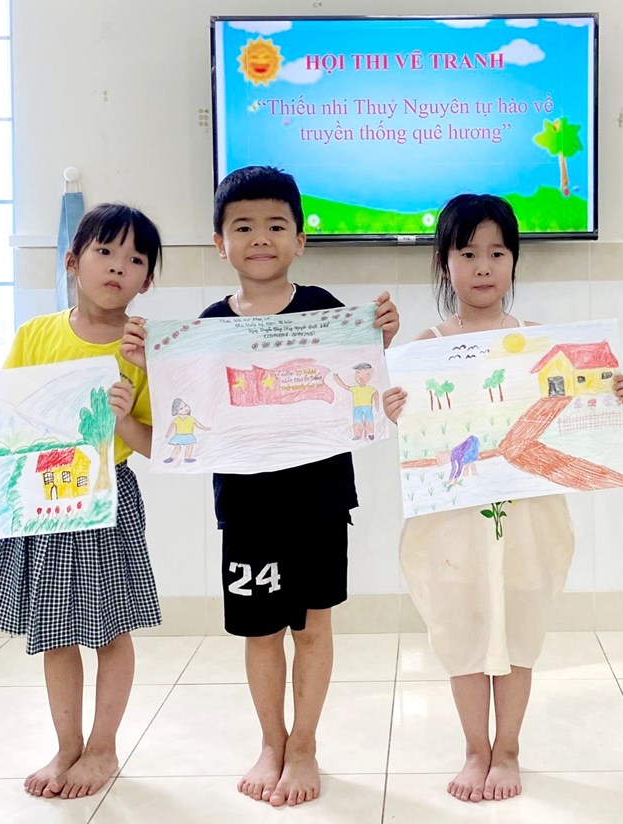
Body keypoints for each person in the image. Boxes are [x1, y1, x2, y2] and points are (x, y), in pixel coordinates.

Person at [121, 166, 399, 808]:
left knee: (313, 627)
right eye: (242, 227)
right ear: (220, 243)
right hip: (246, 505)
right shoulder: (207, 324)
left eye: (276, 225)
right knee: (260, 630)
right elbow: (189, 421)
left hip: (320, 497)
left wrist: (379, 340)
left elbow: (359, 390)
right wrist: (153, 363)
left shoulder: (324, 309)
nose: (260, 238)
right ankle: (271, 742)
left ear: (300, 238)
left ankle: (305, 746)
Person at [0, 203, 164, 800]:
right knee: (54, 631)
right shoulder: (35, 335)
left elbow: (158, 443)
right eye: (104, 251)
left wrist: (124, 417)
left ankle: (103, 747)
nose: (117, 267)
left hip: (107, 501)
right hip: (39, 500)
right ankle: (67, 745)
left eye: (134, 259)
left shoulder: (145, 348)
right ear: (73, 261)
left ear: (147, 280)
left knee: (112, 630)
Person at [383, 194, 623, 803]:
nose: (483, 266)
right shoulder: (424, 346)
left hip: (527, 522)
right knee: (463, 631)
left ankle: (510, 749)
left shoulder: (538, 344)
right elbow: (423, 436)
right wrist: (394, 410)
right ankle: (476, 749)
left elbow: (572, 415)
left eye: (497, 253)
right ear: (445, 263)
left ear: (515, 261)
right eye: (468, 253)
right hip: (453, 525)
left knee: (519, 630)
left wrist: (614, 398)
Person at [332, 362, 379, 440]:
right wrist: (337, 379)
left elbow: (376, 394)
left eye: (366, 374)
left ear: (370, 375)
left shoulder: (370, 389)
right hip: (357, 407)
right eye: (358, 373)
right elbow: (345, 386)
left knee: (369, 420)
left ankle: (370, 433)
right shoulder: (355, 388)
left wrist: (377, 405)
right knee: (357, 421)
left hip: (367, 407)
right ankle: (358, 434)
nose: (360, 377)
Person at [163, 397, 210, 463]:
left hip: (189, 435)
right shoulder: (176, 419)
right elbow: (171, 427)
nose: (185, 408)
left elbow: (198, 424)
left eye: (185, 405)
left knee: (190, 445)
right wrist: (168, 434)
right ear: (177, 411)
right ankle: (172, 457)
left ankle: (187, 458)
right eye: (181, 408)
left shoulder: (191, 418)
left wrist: (204, 428)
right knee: (177, 446)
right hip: (179, 435)